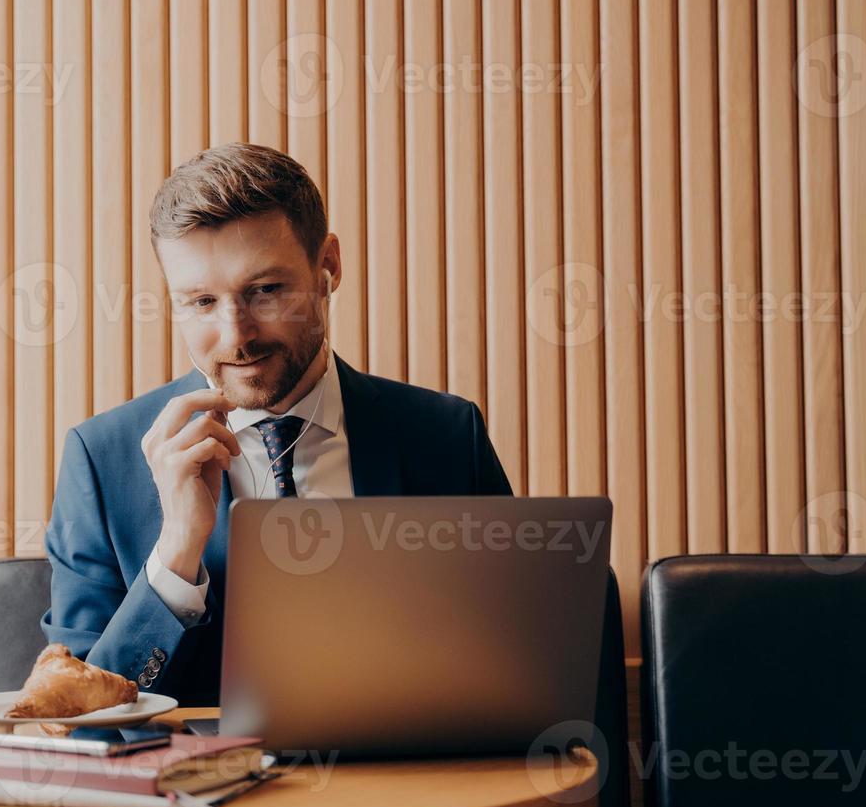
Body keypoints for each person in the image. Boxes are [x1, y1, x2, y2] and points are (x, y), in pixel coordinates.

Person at [42, 143, 513, 702]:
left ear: (327, 268)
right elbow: (79, 727)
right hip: (196, 789)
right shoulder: (100, 461)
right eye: (200, 302)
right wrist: (175, 555)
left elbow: (509, 667)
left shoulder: (447, 437)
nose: (236, 336)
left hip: (400, 784)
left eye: (265, 291)